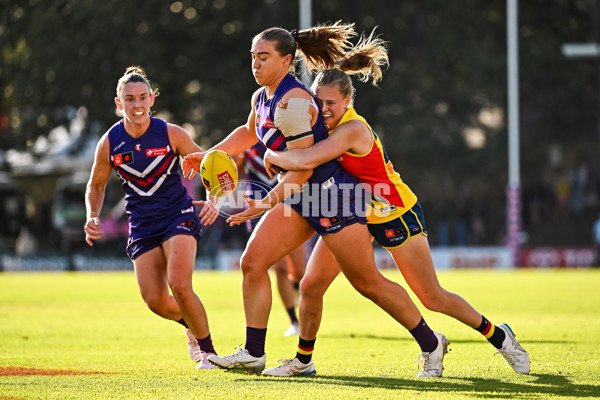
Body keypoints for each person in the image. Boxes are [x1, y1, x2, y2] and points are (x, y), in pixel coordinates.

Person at [182, 23, 448, 377]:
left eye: (264, 58)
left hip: (332, 199)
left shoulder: (293, 103)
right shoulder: (262, 97)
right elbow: (248, 132)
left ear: (286, 60)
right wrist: (206, 154)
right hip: (302, 199)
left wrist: (267, 201)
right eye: (253, 58)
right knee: (253, 262)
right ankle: (254, 352)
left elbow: (303, 169)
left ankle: (431, 343)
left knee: (367, 283)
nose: (255, 65)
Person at [262, 65, 531, 376]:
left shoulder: (353, 129)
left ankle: (500, 337)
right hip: (355, 214)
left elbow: (305, 160)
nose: (323, 109)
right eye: (318, 101)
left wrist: (271, 156)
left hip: (396, 212)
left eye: (331, 103)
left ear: (348, 101)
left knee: (432, 297)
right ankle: (302, 362)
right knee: (310, 285)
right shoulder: (323, 125)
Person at [84, 66, 219, 370]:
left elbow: (210, 166)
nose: (137, 105)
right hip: (142, 225)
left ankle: (209, 352)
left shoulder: (172, 133)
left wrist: (214, 199)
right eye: (130, 99)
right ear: (119, 104)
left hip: (178, 216)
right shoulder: (110, 142)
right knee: (155, 301)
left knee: (180, 285)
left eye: (143, 97)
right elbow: (95, 185)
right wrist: (92, 215)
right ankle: (190, 324)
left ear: (152, 99)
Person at [237, 143, 307, 336]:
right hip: (259, 207)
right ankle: (294, 321)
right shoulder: (248, 143)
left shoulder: (286, 139)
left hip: (289, 204)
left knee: (299, 271)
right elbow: (236, 175)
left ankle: (297, 292)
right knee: (281, 268)